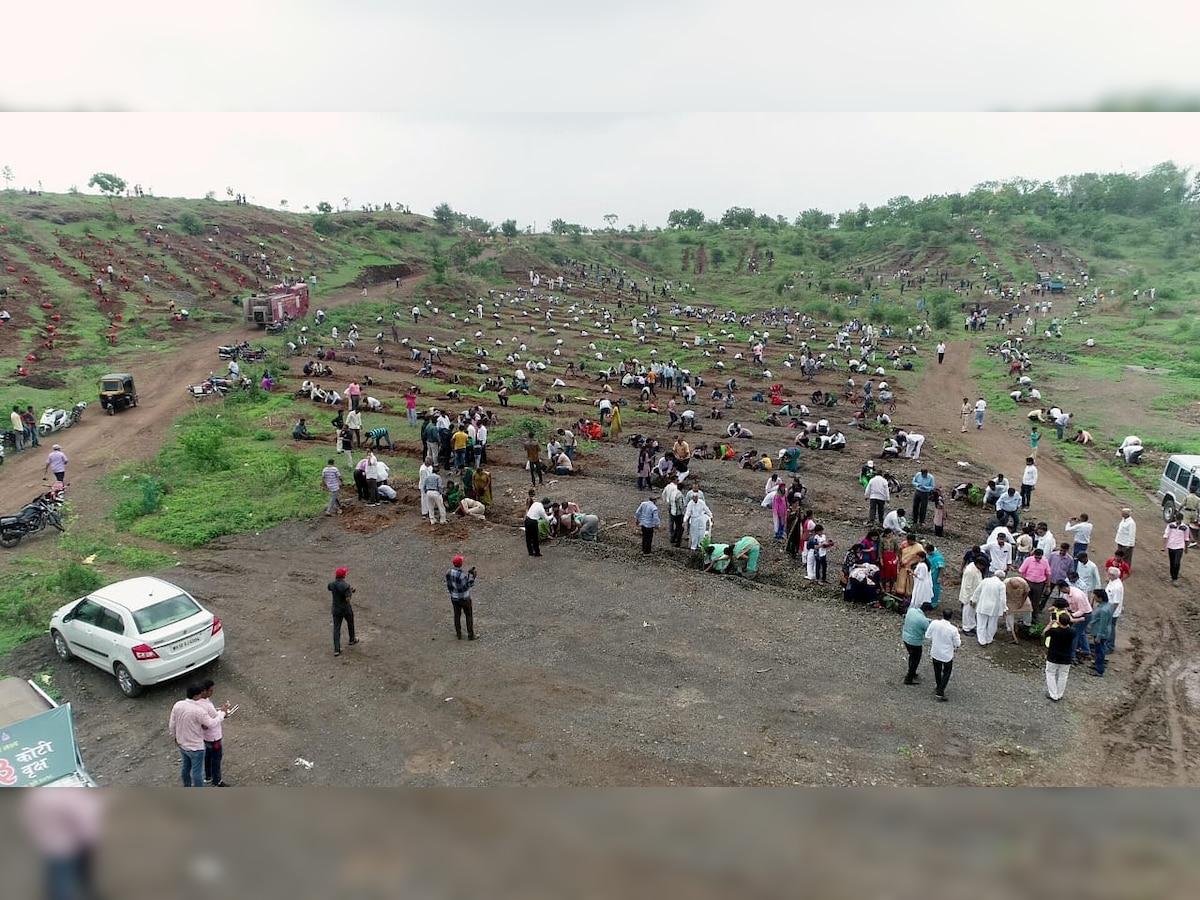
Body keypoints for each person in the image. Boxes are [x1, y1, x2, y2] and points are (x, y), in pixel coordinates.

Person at [20, 787, 107, 900]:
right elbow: (81, 819)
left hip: (48, 847)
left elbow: (29, 825)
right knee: (80, 877)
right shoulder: (63, 797)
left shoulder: (31, 803)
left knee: (58, 880)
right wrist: (89, 840)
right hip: (71, 846)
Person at [168, 682, 228, 786]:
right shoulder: (198, 711)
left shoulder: (178, 705)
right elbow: (211, 723)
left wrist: (176, 737)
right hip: (196, 747)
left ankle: (187, 786)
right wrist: (222, 713)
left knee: (186, 768)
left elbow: (172, 725)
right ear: (196, 695)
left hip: (183, 744)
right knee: (197, 772)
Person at [199, 678, 233, 786]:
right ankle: (217, 781)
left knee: (208, 756)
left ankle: (208, 776)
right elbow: (212, 722)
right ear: (205, 691)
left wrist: (220, 713)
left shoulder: (198, 702)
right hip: (214, 737)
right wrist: (223, 713)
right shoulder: (207, 705)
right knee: (216, 759)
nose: (212, 692)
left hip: (206, 737)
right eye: (211, 690)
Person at [924, 608, 961, 701]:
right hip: (946, 655)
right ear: (951, 617)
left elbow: (927, 636)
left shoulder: (934, 623)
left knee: (937, 671)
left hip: (935, 652)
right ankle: (940, 692)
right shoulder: (953, 629)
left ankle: (938, 685)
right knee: (946, 673)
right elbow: (957, 643)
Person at [1044, 610, 1077, 701]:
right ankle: (1059, 694)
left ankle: (1053, 694)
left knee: (1050, 673)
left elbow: (1044, 633)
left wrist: (1051, 623)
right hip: (1066, 657)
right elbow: (1069, 627)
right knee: (1063, 675)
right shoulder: (1072, 632)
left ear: (1059, 620)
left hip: (1053, 656)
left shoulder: (1054, 631)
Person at [902, 601, 934, 685]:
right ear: (927, 611)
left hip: (905, 637)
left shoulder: (911, 611)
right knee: (916, 659)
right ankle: (909, 678)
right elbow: (928, 633)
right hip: (915, 642)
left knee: (912, 656)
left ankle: (912, 672)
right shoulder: (923, 621)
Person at [971, 571, 1007, 646]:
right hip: (994, 608)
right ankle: (989, 639)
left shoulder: (985, 581)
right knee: (992, 624)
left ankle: (982, 640)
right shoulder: (1001, 585)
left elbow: (977, 591)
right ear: (1002, 578)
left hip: (982, 605)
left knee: (981, 624)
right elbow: (1003, 599)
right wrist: (1004, 609)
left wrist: (973, 600)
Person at [446, 555, 477, 640]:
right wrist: (473, 577)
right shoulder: (462, 575)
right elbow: (467, 586)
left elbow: (449, 585)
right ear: (460, 564)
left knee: (457, 615)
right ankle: (470, 635)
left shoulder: (448, 572)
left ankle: (458, 633)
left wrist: (452, 593)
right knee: (468, 615)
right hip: (464, 598)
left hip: (454, 597)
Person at [328, 566, 357, 656]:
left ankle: (337, 649)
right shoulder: (346, 586)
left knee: (336, 628)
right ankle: (352, 639)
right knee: (350, 623)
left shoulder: (332, 584)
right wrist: (350, 592)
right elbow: (347, 599)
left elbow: (330, 588)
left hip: (336, 609)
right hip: (345, 609)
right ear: (343, 576)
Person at [1019, 547, 1052, 616]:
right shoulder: (1028, 560)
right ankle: (1026, 617)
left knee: (1036, 601)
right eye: (1036, 557)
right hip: (1028, 582)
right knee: (1027, 600)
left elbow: (1048, 574)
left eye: (1039, 558)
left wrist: (1048, 586)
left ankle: (1034, 616)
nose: (1037, 559)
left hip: (1039, 584)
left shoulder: (1045, 561)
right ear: (1034, 555)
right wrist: (1023, 583)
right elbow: (1022, 571)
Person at [1088, 589, 1114, 677]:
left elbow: (1103, 624)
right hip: (1103, 632)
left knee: (1100, 651)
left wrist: (1099, 636)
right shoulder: (1108, 605)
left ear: (1100, 598)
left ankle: (1099, 670)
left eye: (1095, 596)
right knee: (1099, 650)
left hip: (1100, 633)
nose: (1093, 598)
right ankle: (1098, 665)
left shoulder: (1103, 610)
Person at [959, 555, 987, 634]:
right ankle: (966, 628)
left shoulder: (976, 569)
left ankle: (971, 625)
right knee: (967, 612)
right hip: (969, 596)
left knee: (972, 612)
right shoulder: (970, 571)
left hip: (975, 594)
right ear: (978, 564)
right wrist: (971, 598)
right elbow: (967, 586)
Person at [1003, 576, 1033, 644]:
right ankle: (1010, 630)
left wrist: (1022, 602)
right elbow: (1003, 595)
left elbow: (1026, 592)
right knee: (1009, 613)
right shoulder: (1005, 583)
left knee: (1028, 609)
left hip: (1021, 598)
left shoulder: (1023, 583)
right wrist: (1004, 606)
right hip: (1010, 600)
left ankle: (1027, 625)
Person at [1164, 512, 1190, 581]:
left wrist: (1186, 548)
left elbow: (1186, 538)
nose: (1178, 521)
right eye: (1177, 519)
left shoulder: (1185, 528)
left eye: (1179, 520)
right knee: (1172, 562)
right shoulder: (1170, 525)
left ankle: (1175, 577)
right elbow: (1166, 535)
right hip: (1171, 545)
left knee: (1177, 563)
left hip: (1179, 547)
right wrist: (1164, 546)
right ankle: (1172, 576)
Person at [1105, 565, 1124, 654]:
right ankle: (1107, 644)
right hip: (1108, 608)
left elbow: (1116, 602)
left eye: (1108, 574)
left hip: (1112, 611)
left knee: (1111, 628)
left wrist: (1110, 612)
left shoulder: (1117, 587)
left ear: (1112, 575)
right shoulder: (1112, 582)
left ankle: (1110, 646)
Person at [663, 476, 685, 547]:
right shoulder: (679, 494)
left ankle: (672, 537)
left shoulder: (668, 488)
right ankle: (677, 541)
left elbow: (664, 495)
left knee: (671, 522)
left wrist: (667, 501)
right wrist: (683, 512)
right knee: (680, 528)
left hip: (671, 508)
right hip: (678, 512)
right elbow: (680, 506)